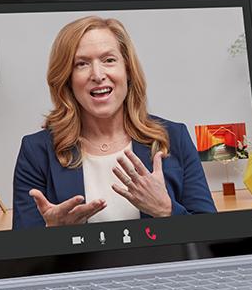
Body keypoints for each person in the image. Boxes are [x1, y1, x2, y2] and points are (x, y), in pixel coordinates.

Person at [12, 16, 216, 230]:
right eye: (81, 64)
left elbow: (212, 236)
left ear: (127, 70)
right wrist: (51, 234)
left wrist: (166, 210)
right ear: (67, 79)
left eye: (108, 60)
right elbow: (22, 257)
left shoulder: (175, 137)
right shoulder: (36, 151)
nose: (98, 75)